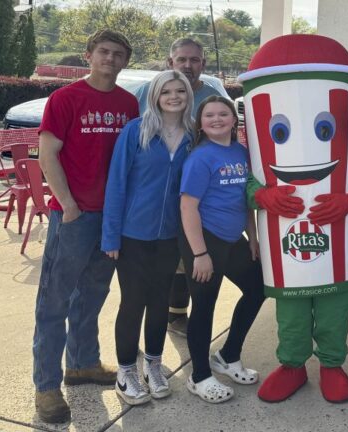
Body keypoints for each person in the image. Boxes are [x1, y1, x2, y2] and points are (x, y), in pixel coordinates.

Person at [33, 29, 139, 424]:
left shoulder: (129, 103)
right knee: (54, 301)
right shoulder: (65, 98)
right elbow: (48, 155)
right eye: (104, 52)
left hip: (112, 219)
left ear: (125, 61)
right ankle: (46, 385)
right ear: (89, 55)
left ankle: (82, 365)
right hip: (75, 216)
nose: (110, 59)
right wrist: (69, 206)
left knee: (93, 294)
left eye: (118, 54)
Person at [101, 70, 195, 405]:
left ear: (187, 95)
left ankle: (154, 365)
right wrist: (111, 236)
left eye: (179, 91)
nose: (173, 96)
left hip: (171, 237)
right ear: (155, 96)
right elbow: (116, 184)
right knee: (133, 302)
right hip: (133, 235)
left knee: (159, 303)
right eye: (166, 91)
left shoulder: (192, 137)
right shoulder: (136, 132)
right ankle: (126, 371)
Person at [133, 38, 228, 339]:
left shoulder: (213, 95)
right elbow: (131, 138)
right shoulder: (147, 92)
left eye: (195, 60)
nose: (188, 65)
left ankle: (177, 315)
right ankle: (143, 328)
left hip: (201, 195)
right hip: (156, 194)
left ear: (203, 64)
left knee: (188, 258)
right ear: (170, 61)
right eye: (181, 59)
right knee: (156, 266)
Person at [179, 96, 266, 403]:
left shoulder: (240, 151)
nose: (217, 119)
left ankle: (228, 356)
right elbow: (188, 206)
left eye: (223, 114)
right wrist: (200, 254)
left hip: (234, 239)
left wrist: (253, 236)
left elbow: (245, 200)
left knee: (258, 289)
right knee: (204, 307)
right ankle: (199, 376)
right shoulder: (200, 157)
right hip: (205, 239)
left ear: (234, 119)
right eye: (209, 115)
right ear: (200, 123)